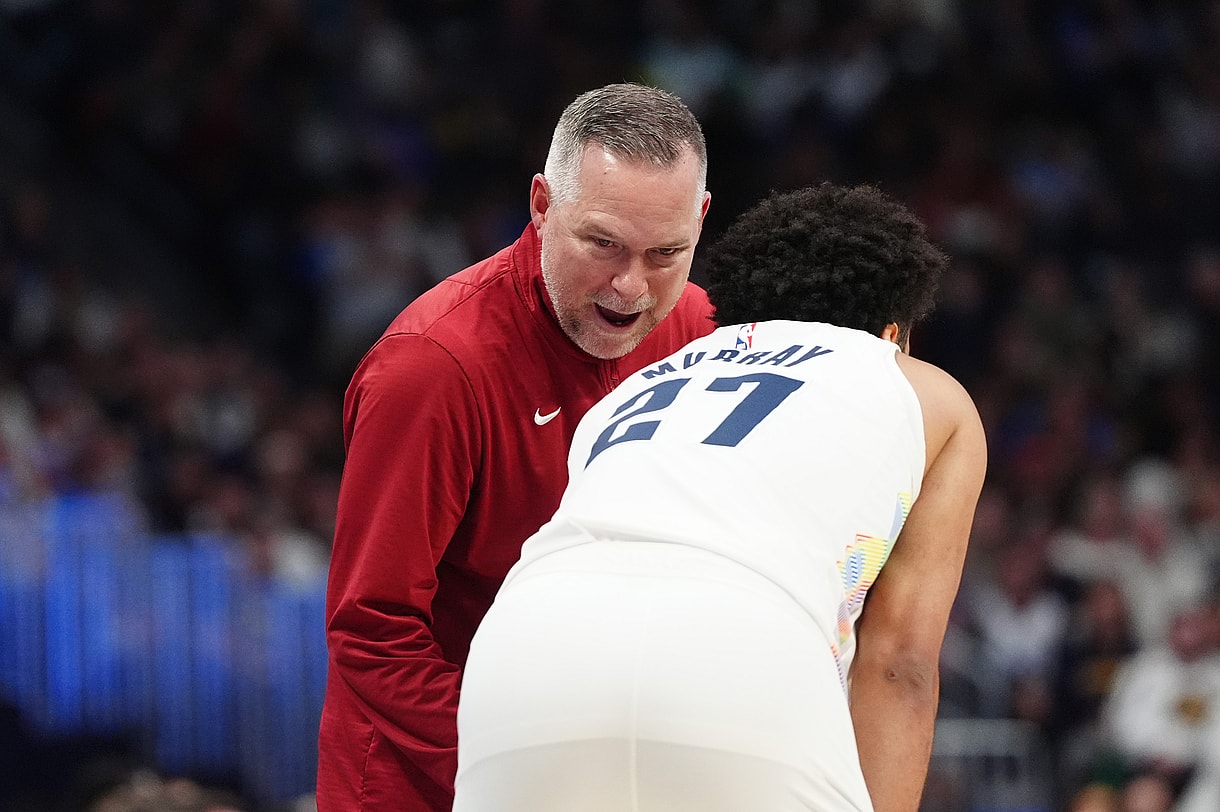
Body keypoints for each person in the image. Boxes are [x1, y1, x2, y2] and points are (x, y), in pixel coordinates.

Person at [454, 182, 989, 812]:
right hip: (737, 649)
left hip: (523, 654)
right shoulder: (918, 387)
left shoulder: (637, 387)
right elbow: (899, 665)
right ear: (893, 331)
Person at [317, 83, 715, 811]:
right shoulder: (431, 368)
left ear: (702, 221)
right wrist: (530, 763)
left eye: (666, 252)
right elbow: (373, 632)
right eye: (603, 244)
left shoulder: (692, 325)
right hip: (427, 783)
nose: (631, 287)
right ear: (540, 206)